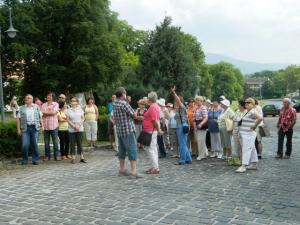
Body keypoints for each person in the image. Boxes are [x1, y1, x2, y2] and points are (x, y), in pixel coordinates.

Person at [113, 87, 141, 179]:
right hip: (128, 130)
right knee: (132, 149)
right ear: (123, 94)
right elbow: (134, 115)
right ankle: (133, 172)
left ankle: (122, 169)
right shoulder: (124, 104)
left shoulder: (115, 103)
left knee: (122, 150)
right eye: (125, 93)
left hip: (120, 131)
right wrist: (137, 112)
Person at [236, 98, 262, 173]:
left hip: (248, 133)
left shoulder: (253, 111)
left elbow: (260, 118)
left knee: (246, 149)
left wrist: (254, 126)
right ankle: (254, 164)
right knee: (252, 148)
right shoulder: (248, 111)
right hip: (245, 133)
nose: (246, 103)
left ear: (253, 104)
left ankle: (243, 165)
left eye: (248, 102)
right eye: (245, 102)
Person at [16, 94, 42, 165]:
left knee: (35, 144)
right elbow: (18, 119)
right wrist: (18, 129)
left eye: (28, 98)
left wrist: (42, 126)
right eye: (26, 98)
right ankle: (25, 160)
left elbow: (40, 117)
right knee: (25, 144)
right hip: (25, 128)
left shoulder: (36, 107)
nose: (26, 99)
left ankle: (35, 160)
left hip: (35, 127)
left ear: (32, 100)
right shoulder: (21, 108)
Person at [171, 86, 192, 165]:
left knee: (182, 144)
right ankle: (188, 159)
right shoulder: (180, 108)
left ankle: (182, 160)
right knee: (183, 143)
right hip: (182, 126)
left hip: (181, 126)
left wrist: (174, 93)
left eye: (175, 100)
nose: (175, 102)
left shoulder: (181, 106)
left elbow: (178, 100)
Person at [143, 92, 162, 174]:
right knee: (152, 149)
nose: (146, 99)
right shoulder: (154, 106)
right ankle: (154, 166)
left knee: (150, 149)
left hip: (150, 130)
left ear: (150, 99)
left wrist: (159, 130)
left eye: (147, 98)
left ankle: (155, 167)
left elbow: (155, 121)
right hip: (150, 130)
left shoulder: (153, 107)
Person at [67, 96, 86, 164]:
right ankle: (73, 157)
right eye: (72, 101)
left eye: (75, 101)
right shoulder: (68, 110)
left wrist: (79, 125)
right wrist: (74, 126)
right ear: (71, 102)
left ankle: (82, 157)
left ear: (77, 102)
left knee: (80, 143)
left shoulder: (80, 109)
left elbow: (83, 118)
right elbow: (68, 120)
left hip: (79, 128)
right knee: (72, 143)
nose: (73, 102)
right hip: (72, 129)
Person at [41, 92, 60, 161]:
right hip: (46, 126)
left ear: (52, 97)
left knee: (55, 142)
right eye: (47, 95)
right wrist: (50, 113)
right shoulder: (43, 105)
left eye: (50, 96)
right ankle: (47, 156)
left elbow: (54, 113)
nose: (48, 96)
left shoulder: (56, 104)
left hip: (54, 126)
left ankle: (57, 155)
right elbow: (42, 114)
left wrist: (46, 113)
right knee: (46, 142)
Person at [193, 96, 208, 161]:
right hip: (197, 125)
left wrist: (201, 124)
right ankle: (205, 153)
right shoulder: (196, 108)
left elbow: (206, 117)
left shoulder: (203, 108)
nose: (196, 101)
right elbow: (194, 118)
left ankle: (201, 155)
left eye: (198, 100)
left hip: (202, 125)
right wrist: (195, 126)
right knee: (199, 140)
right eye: (196, 100)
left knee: (200, 140)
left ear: (201, 101)